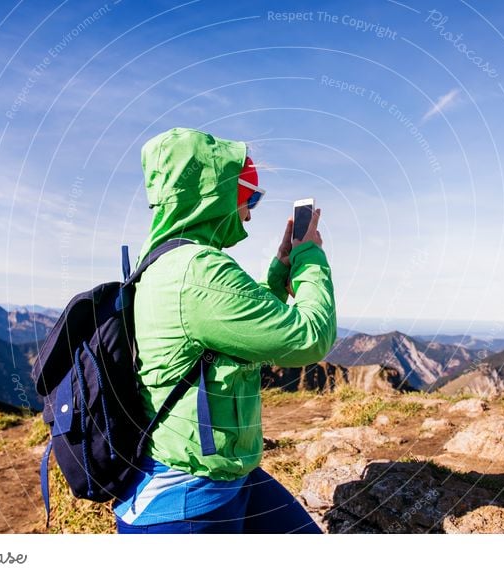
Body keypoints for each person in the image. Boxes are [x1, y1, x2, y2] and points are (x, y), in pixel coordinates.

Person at [113, 127, 337, 534]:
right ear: (212, 193)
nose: (251, 211)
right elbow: (309, 337)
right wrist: (310, 258)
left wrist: (278, 273)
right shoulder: (198, 271)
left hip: (221, 472)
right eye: (248, 194)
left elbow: (233, 328)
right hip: (184, 499)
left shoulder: (165, 261)